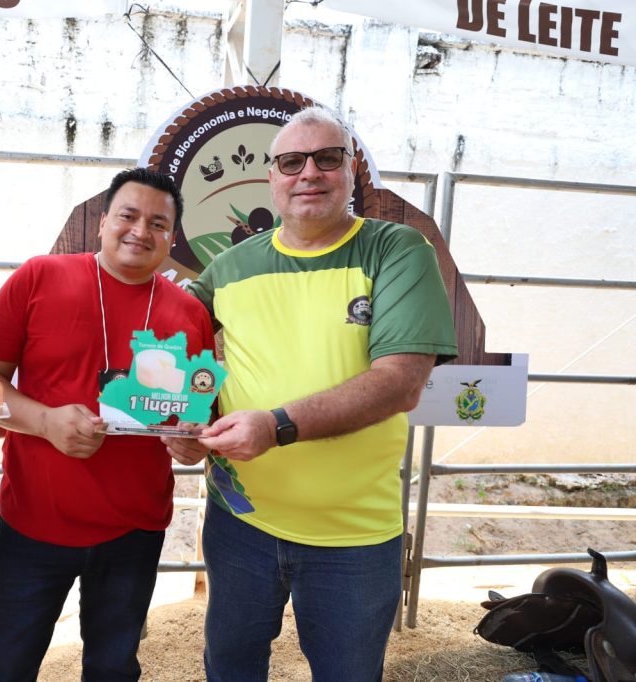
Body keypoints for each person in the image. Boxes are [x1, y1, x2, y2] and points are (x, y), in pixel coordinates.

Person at [187, 107, 459, 681]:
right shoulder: (228, 267)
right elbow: (180, 357)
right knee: (231, 669)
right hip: (240, 523)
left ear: (352, 169)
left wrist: (276, 425)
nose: (308, 172)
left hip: (355, 537)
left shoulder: (397, 250)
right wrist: (183, 428)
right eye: (291, 161)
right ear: (272, 177)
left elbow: (401, 380)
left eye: (327, 158)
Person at [0, 168, 215, 681]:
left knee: (113, 667)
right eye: (127, 215)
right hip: (34, 519)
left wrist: (192, 442)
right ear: (103, 221)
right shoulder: (38, 277)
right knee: (8, 665)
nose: (140, 231)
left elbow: (196, 414)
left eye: (157, 223)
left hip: (134, 528)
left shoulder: (189, 312)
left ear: (171, 238)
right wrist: (43, 421)